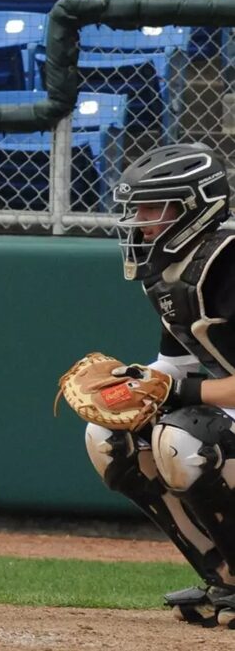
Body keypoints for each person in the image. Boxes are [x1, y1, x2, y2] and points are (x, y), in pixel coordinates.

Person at [85, 143, 235, 627]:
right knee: (111, 437)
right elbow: (174, 369)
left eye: (154, 207)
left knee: (185, 439)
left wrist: (182, 395)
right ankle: (225, 577)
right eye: (138, 208)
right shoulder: (176, 273)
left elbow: (185, 391)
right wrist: (132, 384)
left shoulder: (229, 264)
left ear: (195, 207)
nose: (141, 221)